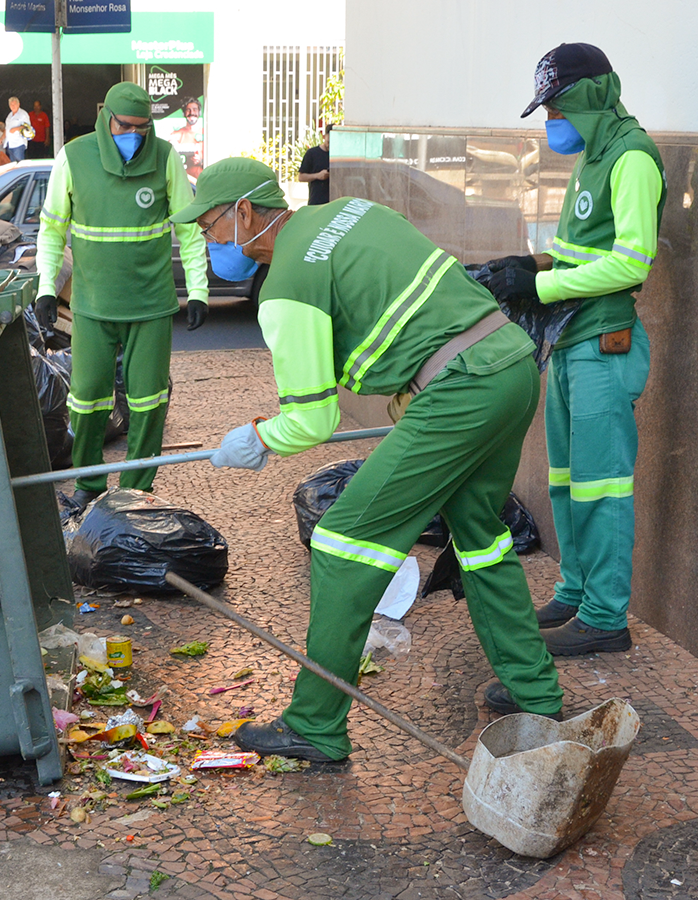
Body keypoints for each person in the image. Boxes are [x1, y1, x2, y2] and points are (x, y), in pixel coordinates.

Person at [172, 157, 564, 761]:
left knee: (341, 541)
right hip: (510, 362)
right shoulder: (351, 214)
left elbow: (312, 419)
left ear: (244, 211)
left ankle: (316, 725)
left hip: (461, 389)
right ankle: (536, 695)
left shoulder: (286, 286)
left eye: (211, 228)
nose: (209, 242)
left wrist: (256, 437)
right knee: (481, 535)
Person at [482, 43, 664, 659]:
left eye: (555, 107)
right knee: (566, 481)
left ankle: (606, 618)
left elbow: (632, 260)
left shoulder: (632, 157)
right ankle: (576, 592)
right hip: (570, 342)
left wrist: (540, 284)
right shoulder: (594, 156)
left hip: (604, 346)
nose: (549, 121)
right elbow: (582, 250)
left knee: (601, 486)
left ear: (587, 97)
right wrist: (523, 266)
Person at [33, 83, 210, 507]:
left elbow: (188, 229)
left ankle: (137, 491)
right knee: (87, 399)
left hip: (150, 305)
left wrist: (199, 290)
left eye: (142, 127)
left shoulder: (165, 158)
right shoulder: (74, 158)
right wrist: (45, 289)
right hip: (93, 306)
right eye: (126, 126)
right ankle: (87, 484)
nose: (135, 134)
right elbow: (52, 230)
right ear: (105, 118)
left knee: (149, 402)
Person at [298, 124, 332, 205]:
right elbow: (301, 177)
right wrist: (317, 176)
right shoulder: (312, 153)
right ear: (324, 137)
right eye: (328, 142)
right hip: (316, 201)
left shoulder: (338, 155)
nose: (330, 145)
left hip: (334, 201)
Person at [4, 97, 32, 163]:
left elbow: (27, 127)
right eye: (11, 105)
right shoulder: (9, 115)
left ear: (18, 104)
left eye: (14, 104)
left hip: (18, 143)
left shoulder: (23, 114)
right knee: (13, 165)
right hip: (10, 144)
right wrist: (1, 138)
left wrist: (16, 129)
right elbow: (7, 129)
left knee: (20, 164)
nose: (13, 106)